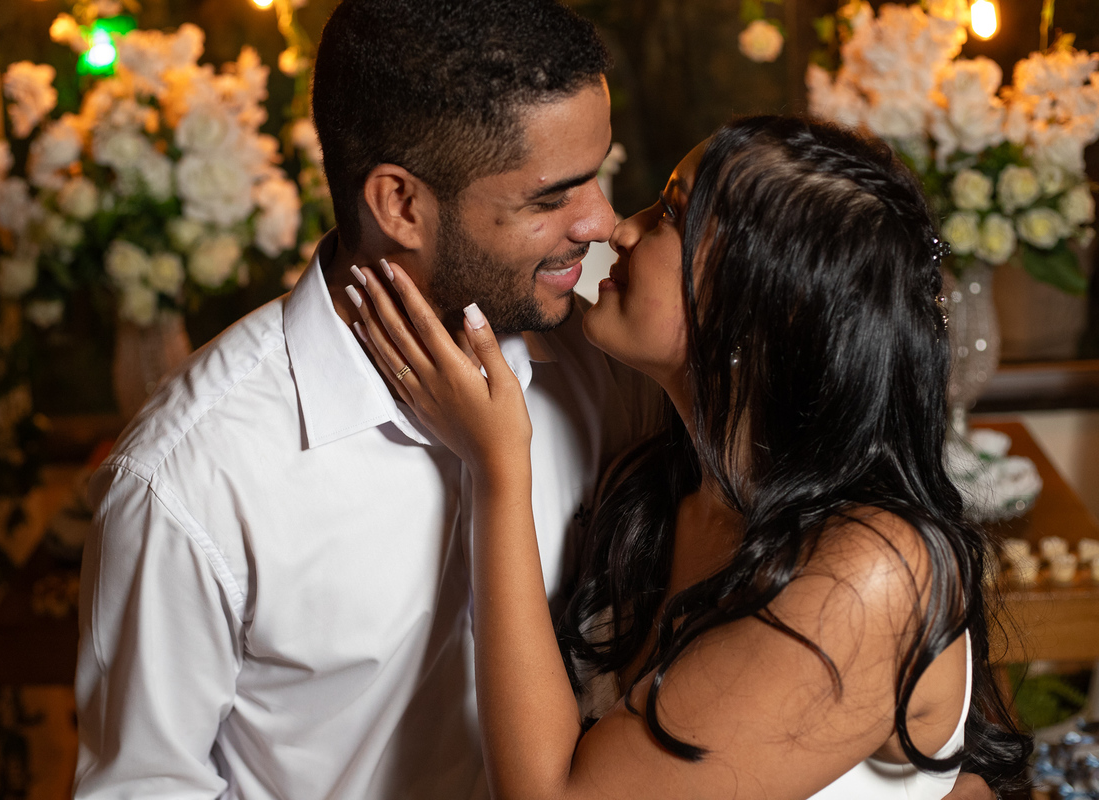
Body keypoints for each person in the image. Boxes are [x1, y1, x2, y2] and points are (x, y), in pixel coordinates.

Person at [348, 115, 1032, 799]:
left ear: (768, 305)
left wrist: (497, 467)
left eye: (672, 214)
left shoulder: (872, 572)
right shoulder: (659, 483)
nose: (618, 229)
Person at [74, 1, 660, 798]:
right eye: (552, 196)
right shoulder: (194, 478)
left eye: (600, 173)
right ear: (401, 205)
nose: (602, 220)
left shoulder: (606, 364)